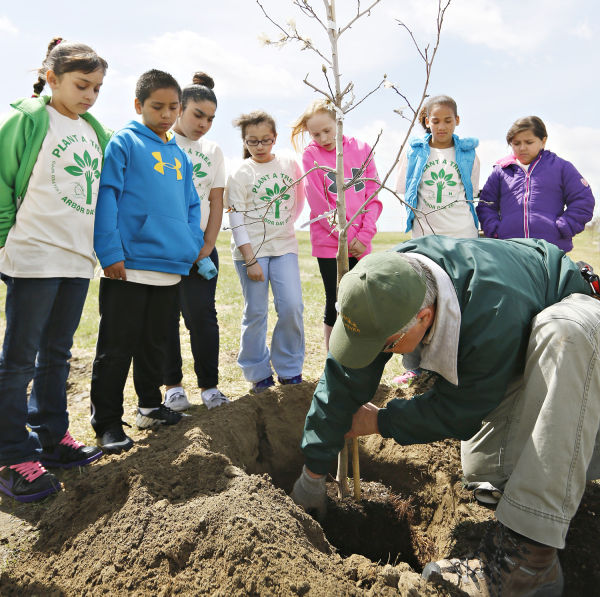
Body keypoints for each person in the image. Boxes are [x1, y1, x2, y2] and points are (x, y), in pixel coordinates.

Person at [291, 235, 600, 596]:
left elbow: (460, 410)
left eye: (388, 345)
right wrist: (312, 474)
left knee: (565, 332)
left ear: (423, 317)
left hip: (580, 335)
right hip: (516, 341)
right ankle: (540, 499)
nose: (382, 353)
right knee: (488, 470)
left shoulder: (491, 312)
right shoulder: (385, 281)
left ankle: (529, 563)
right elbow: (342, 378)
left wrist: (379, 421)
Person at [0, 38, 110, 503]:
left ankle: (52, 437)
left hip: (75, 258)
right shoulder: (28, 119)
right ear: (52, 78)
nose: (89, 95)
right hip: (32, 255)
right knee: (20, 358)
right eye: (82, 85)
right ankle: (10, 456)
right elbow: (5, 182)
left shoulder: (92, 129)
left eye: (98, 88)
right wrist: (4, 242)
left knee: (58, 353)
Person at [91, 69, 204, 454]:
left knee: (156, 343)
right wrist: (109, 251)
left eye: (174, 107)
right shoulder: (123, 143)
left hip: (169, 265)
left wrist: (189, 246)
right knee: (116, 346)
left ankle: (150, 407)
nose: (167, 114)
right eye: (158, 107)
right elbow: (107, 195)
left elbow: (192, 205)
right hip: (129, 263)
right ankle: (106, 421)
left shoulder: (179, 155)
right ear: (139, 105)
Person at [394, 94, 480, 386]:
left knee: (460, 300)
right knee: (421, 298)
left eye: (448, 120)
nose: (441, 126)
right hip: (425, 237)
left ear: (457, 121)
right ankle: (415, 365)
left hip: (462, 236)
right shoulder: (416, 153)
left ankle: (457, 364)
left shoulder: (468, 155)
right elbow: (403, 189)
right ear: (426, 122)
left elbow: (471, 192)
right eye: (435, 120)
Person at [291, 99, 382, 350]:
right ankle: (334, 359)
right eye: (315, 133)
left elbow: (373, 196)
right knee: (335, 299)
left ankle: (358, 355)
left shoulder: (362, 148)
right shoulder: (311, 155)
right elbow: (319, 204)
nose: (322, 138)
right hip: (329, 242)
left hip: (360, 243)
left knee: (360, 299)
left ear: (338, 122)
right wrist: (345, 236)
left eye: (327, 130)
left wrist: (363, 236)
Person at [162, 72, 229, 412]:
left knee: (202, 316)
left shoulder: (213, 150)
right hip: (163, 251)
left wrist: (208, 243)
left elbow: (217, 201)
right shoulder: (160, 143)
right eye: (197, 115)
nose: (204, 124)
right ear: (178, 110)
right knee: (165, 317)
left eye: (210, 119)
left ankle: (210, 388)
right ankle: (173, 388)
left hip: (203, 249)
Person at [226, 110, 305, 394]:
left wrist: (283, 227)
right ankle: (257, 372)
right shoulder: (239, 173)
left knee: (292, 306)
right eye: (252, 142)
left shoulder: (288, 164)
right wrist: (250, 260)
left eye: (265, 141)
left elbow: (298, 201)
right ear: (245, 142)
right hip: (252, 252)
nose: (259, 147)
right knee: (256, 312)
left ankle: (289, 368)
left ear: (275, 139)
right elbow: (235, 218)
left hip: (284, 246)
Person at [477, 115, 594, 252]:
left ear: (543, 141)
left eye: (529, 142)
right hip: (510, 250)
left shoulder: (561, 167)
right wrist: (496, 230)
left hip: (551, 250)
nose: (522, 148)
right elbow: (486, 205)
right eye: (516, 143)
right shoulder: (501, 172)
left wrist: (563, 227)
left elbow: (583, 200)